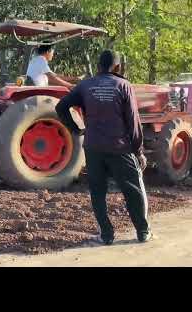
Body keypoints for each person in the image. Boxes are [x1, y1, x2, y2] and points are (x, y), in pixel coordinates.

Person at [55, 50, 152, 245]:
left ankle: (106, 235)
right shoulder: (123, 85)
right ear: (117, 67)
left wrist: (76, 129)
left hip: (93, 148)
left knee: (98, 193)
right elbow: (133, 122)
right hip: (120, 148)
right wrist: (138, 150)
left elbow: (61, 107)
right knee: (133, 190)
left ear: (98, 66)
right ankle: (142, 232)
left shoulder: (85, 85)